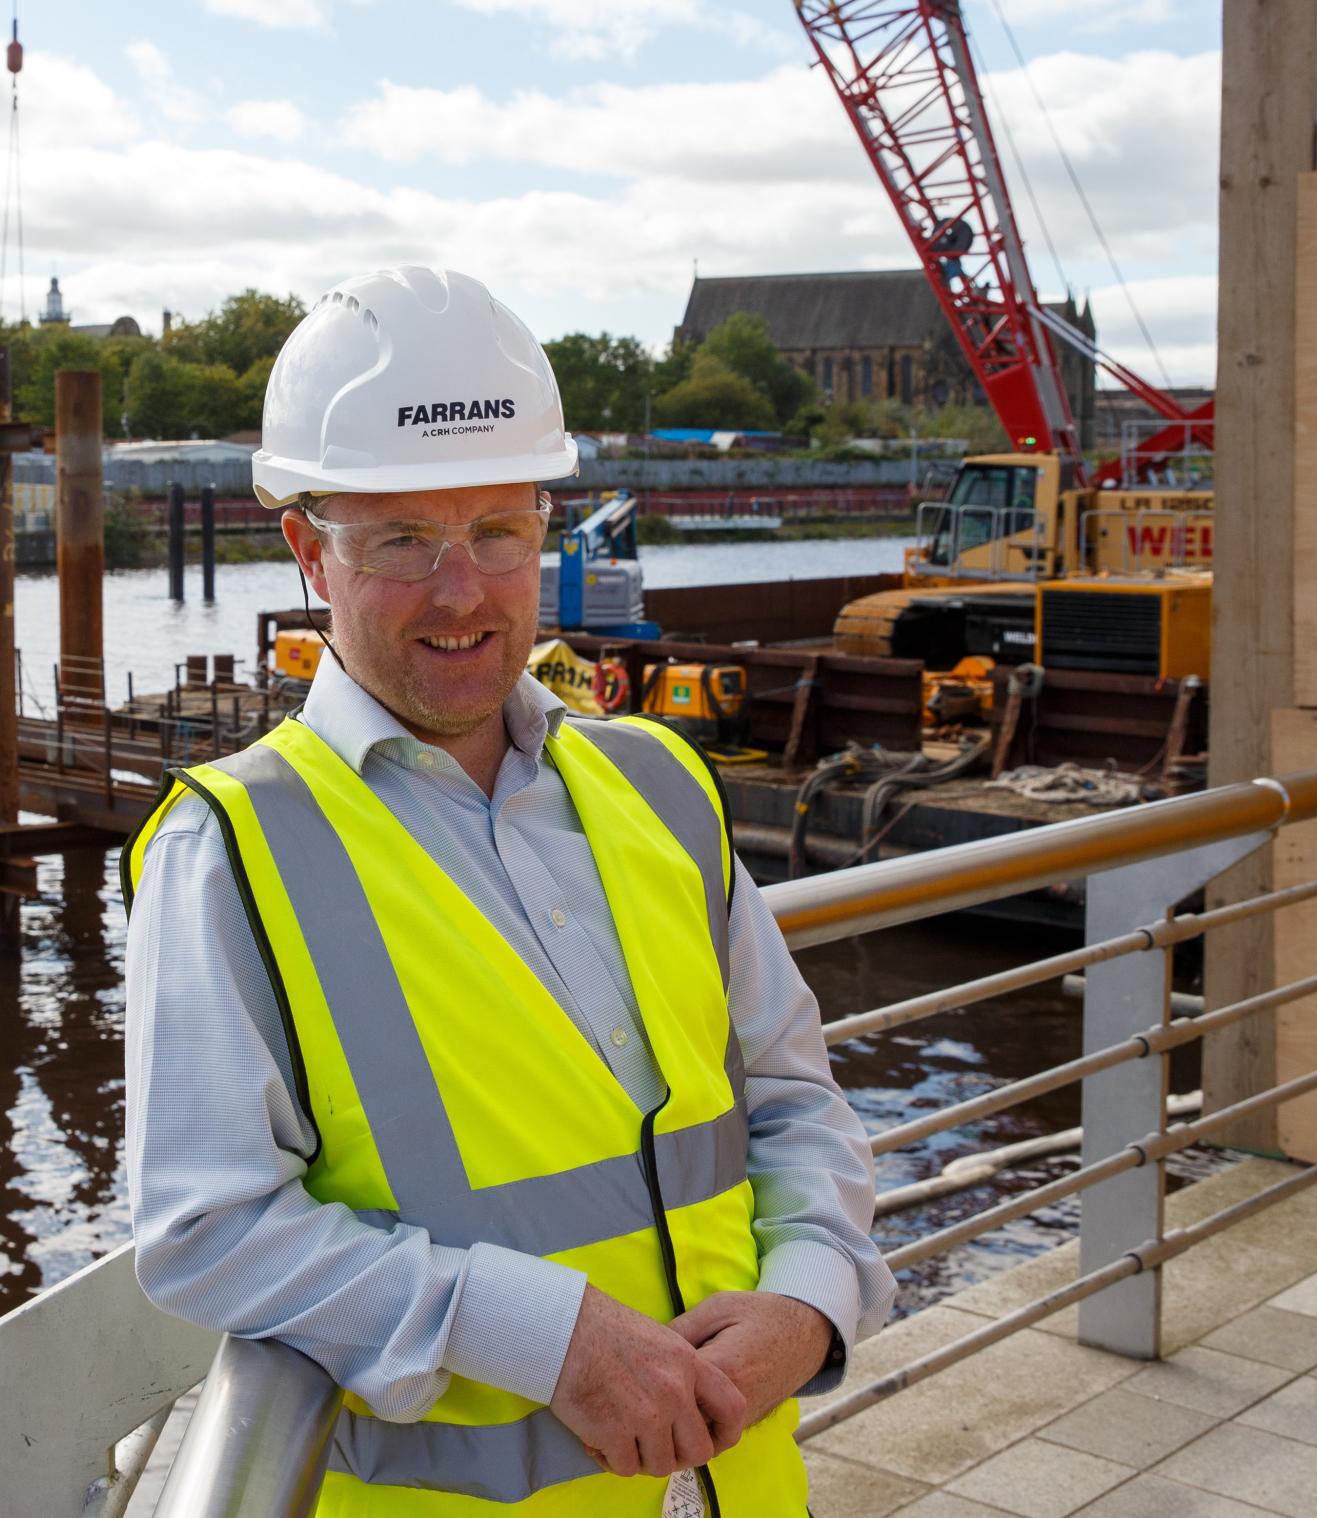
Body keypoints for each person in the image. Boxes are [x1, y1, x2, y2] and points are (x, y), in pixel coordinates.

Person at [123, 267, 892, 1514]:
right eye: (404, 542)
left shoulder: (659, 784)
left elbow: (794, 1101)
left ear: (548, 524)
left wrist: (812, 1296)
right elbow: (204, 1231)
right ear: (309, 550)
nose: (462, 590)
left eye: (497, 530)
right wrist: (548, 1335)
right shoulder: (234, 849)